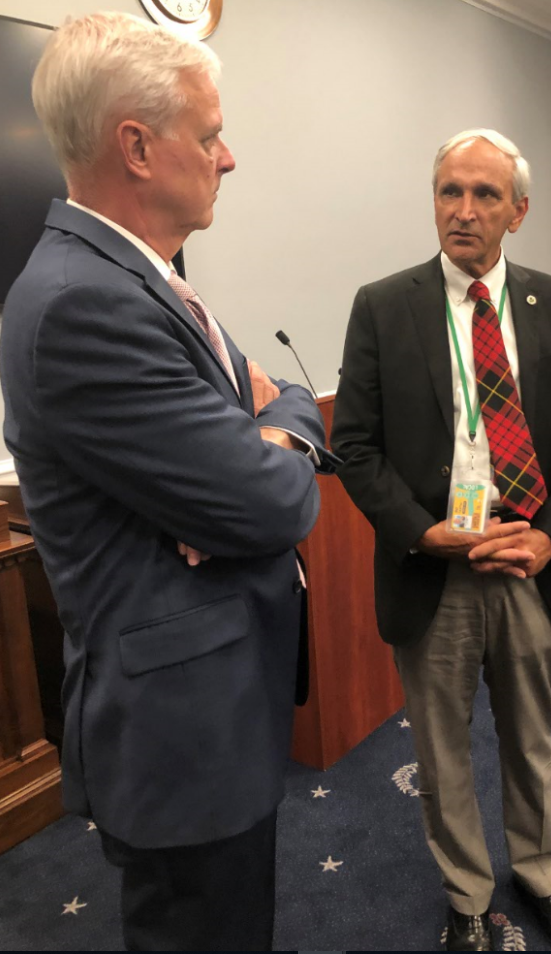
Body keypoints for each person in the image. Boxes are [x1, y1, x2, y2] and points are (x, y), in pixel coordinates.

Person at [0, 13, 335, 952]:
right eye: (210, 133)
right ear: (137, 147)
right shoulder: (84, 303)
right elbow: (274, 501)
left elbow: (276, 405)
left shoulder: (140, 279)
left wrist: (266, 429)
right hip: (180, 734)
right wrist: (273, 436)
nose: (228, 157)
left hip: (214, 700)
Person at [331, 129, 551, 952]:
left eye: (484, 194)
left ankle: (540, 877)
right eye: (448, 191)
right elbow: (354, 445)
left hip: (527, 561)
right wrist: (420, 531)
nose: (463, 210)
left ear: (517, 211)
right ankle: (465, 897)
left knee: (530, 739)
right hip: (433, 569)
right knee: (441, 748)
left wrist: (549, 539)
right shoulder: (382, 305)